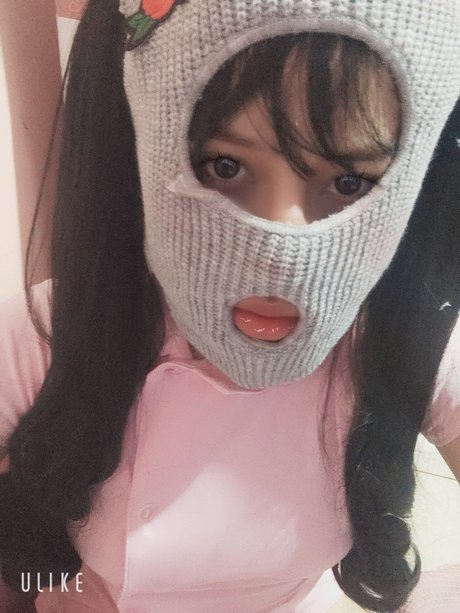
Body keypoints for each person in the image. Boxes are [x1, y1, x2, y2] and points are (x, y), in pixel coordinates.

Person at [0, 0, 459, 611]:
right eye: (226, 166)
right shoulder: (51, 334)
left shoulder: (401, 346)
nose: (281, 254)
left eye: (348, 182)